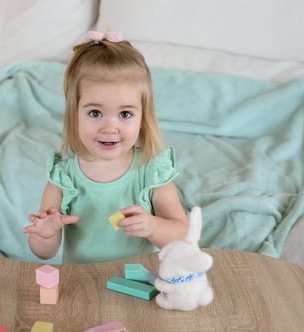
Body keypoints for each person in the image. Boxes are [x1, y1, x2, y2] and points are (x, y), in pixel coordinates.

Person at [23, 31, 188, 263]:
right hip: (82, 286)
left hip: (137, 285)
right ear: (74, 114)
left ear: (143, 117)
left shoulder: (151, 171)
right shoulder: (63, 177)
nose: (110, 128)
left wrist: (153, 226)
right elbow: (44, 252)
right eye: (95, 113)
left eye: (125, 114)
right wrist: (45, 233)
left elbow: (182, 237)